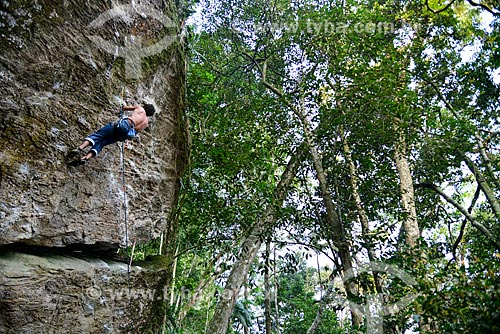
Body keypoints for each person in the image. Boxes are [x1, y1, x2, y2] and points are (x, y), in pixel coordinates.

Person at [67, 104, 155, 166]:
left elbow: (124, 108)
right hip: (124, 135)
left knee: (98, 135)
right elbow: (134, 132)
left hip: (124, 125)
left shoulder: (140, 109)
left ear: (145, 107)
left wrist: (122, 106)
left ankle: (80, 148)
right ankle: (86, 158)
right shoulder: (146, 123)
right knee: (102, 143)